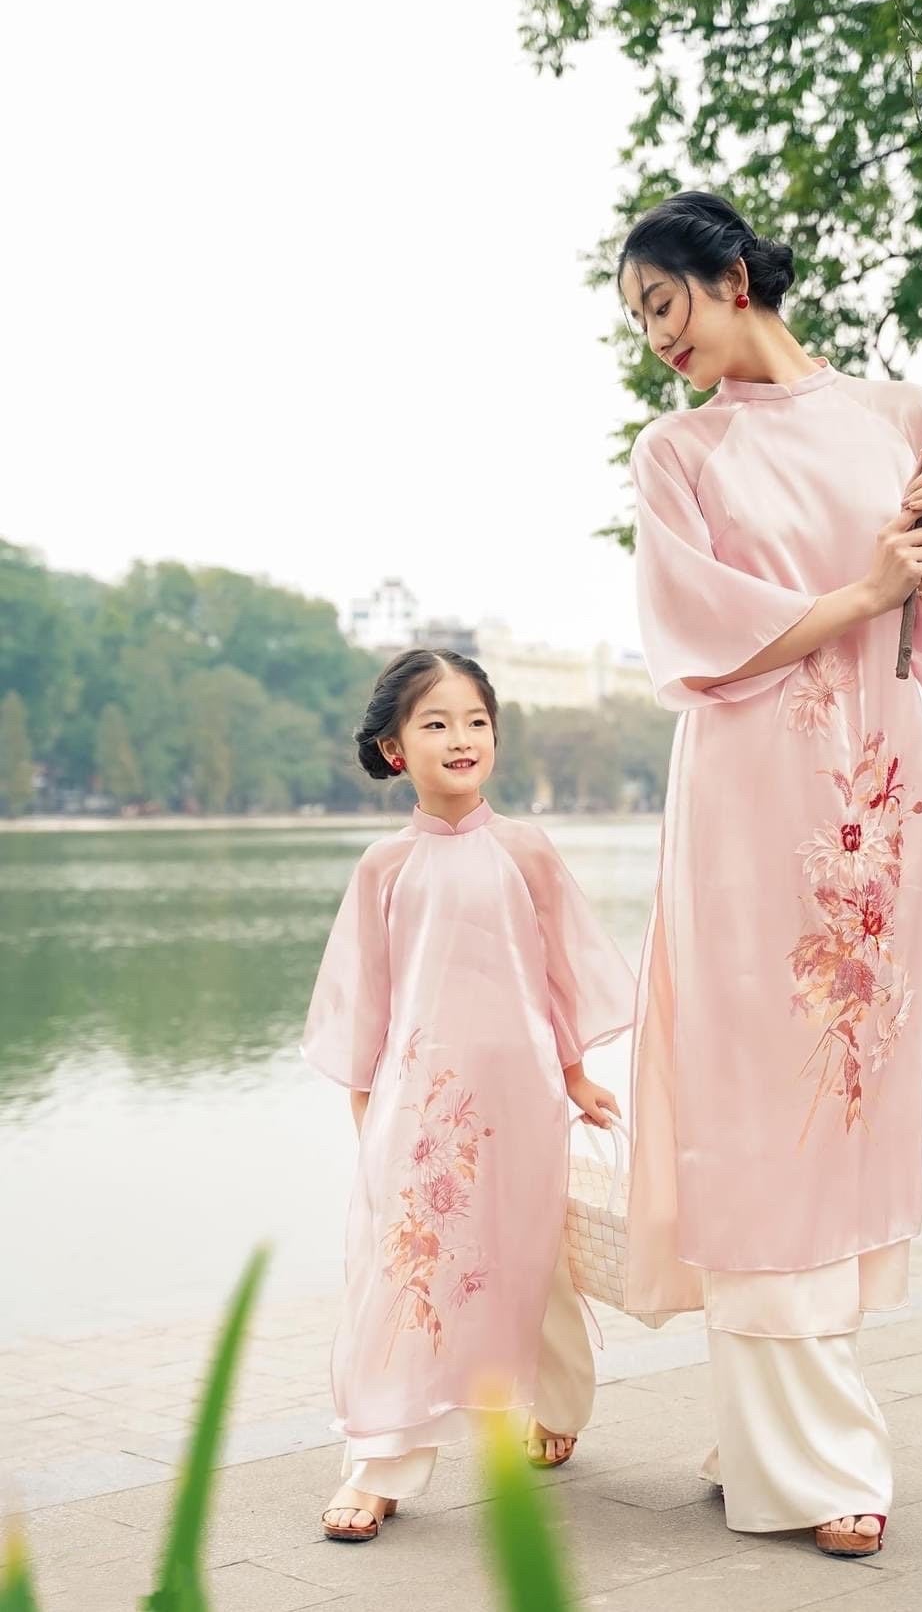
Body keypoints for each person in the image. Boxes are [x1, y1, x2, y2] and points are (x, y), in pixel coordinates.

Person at [618, 190, 922, 1559]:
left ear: (727, 275)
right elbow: (700, 637)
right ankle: (818, 1456)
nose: (656, 340)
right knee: (748, 1088)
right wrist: (866, 591)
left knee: (842, 1087)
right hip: (744, 794)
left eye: (661, 305)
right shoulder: (678, 454)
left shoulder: (903, 417)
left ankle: (766, 1426)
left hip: (875, 796)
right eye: (640, 323)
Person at [303, 648, 631, 1541]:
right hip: (419, 1103)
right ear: (394, 748)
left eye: (476, 720)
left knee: (532, 1252)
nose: (461, 737)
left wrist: (574, 1076)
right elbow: (362, 1002)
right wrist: (367, 1116)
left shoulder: (526, 848)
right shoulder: (382, 865)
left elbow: (562, 973)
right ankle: (380, 1463)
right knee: (406, 1268)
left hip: (521, 1092)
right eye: (435, 721)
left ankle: (555, 1405)